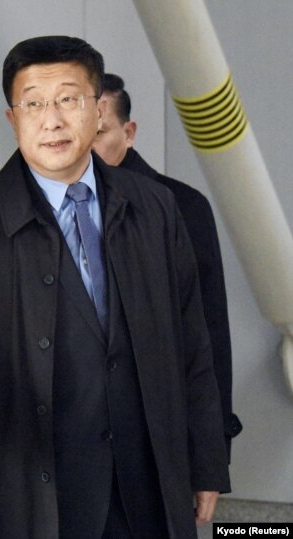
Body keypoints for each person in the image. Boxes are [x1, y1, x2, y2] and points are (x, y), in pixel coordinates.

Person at [0, 35, 229, 539]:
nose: (53, 119)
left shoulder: (154, 207)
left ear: (97, 108)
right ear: (12, 118)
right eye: (34, 103)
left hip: (148, 480)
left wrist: (205, 457)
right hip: (33, 492)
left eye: (69, 99)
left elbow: (193, 342)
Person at [92, 73, 242, 455]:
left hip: (161, 426)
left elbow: (209, 331)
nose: (87, 148)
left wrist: (212, 444)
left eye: (101, 133)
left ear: (129, 132)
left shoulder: (180, 205)